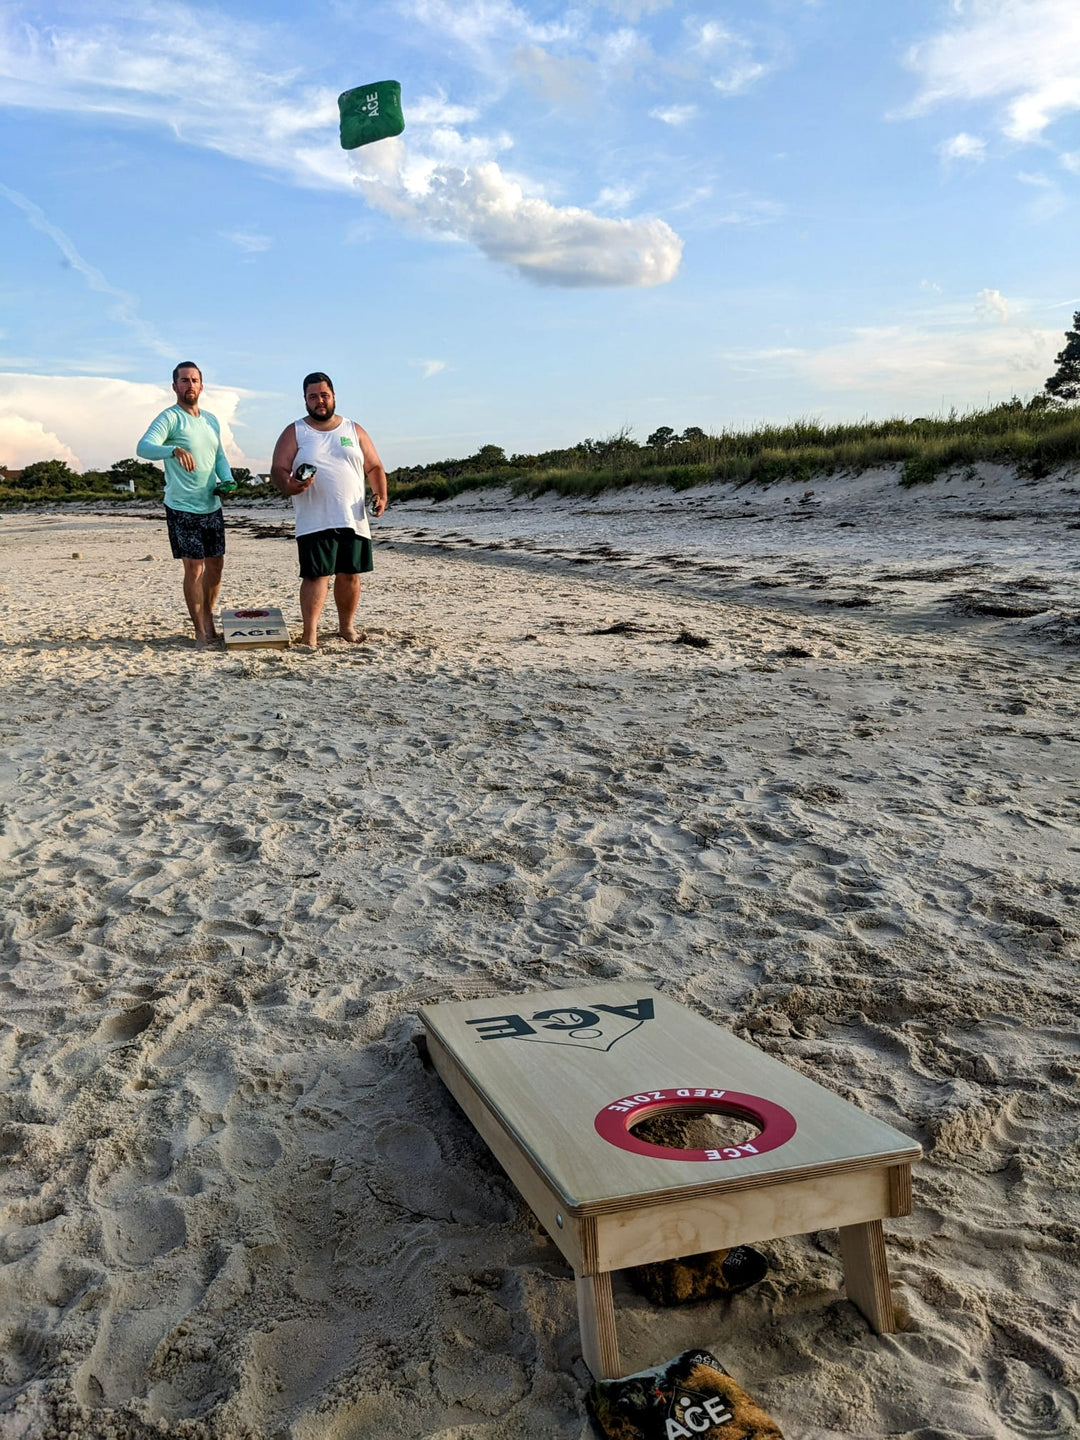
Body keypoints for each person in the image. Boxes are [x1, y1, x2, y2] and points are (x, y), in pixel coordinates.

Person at [270, 372, 388, 647]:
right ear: (305, 400)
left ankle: (346, 628)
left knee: (350, 575)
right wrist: (290, 486)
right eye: (313, 397)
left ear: (334, 396)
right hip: (314, 518)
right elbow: (278, 468)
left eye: (324, 395)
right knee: (316, 575)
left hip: (353, 517)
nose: (319, 401)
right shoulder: (296, 430)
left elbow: (374, 466)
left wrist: (380, 494)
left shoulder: (353, 429)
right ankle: (309, 634)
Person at [137, 362, 235, 645]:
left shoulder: (211, 420)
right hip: (181, 506)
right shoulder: (170, 418)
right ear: (175, 387)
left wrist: (226, 480)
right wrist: (173, 449)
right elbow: (143, 447)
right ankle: (200, 630)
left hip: (211, 504)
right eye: (184, 380)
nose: (189, 385)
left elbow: (219, 456)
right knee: (194, 567)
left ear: (201, 386)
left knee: (216, 565)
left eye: (194, 380)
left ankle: (208, 617)